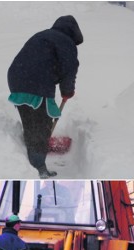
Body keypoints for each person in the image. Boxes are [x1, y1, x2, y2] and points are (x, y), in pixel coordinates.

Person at [7, 15, 83, 179]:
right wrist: (67, 91)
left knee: (31, 122)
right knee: (41, 125)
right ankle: (38, 167)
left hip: (16, 78)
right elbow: (69, 69)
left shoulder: (42, 35)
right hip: (36, 83)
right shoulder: (66, 42)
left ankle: (30, 159)